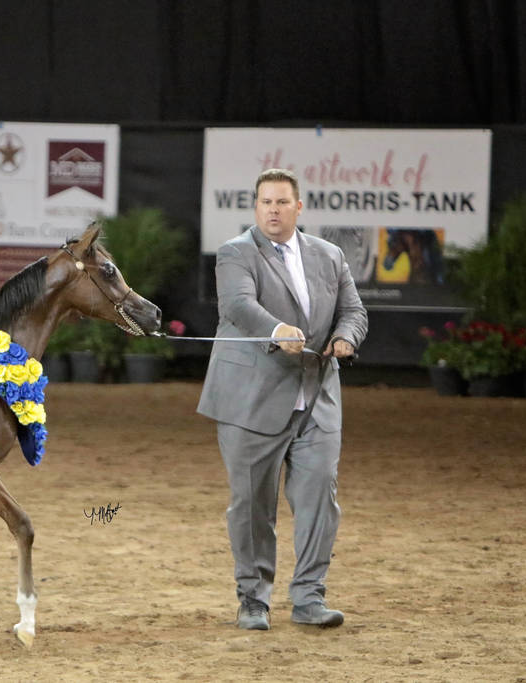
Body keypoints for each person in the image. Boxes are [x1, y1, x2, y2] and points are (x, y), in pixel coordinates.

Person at [197, 168, 368, 630]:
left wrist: (346, 338)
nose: (272, 209)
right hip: (249, 400)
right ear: (256, 207)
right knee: (252, 504)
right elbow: (237, 305)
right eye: (265, 202)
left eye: (281, 202)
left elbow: (353, 310)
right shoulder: (236, 253)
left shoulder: (330, 255)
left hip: (317, 397)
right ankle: (253, 599)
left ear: (298, 207)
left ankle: (310, 597)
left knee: (319, 498)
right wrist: (275, 330)